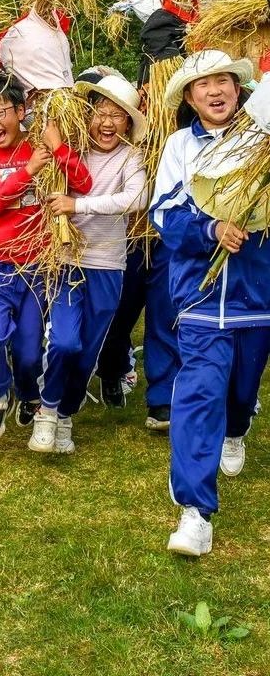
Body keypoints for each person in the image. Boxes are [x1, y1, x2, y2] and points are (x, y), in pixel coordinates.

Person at [151, 50, 270, 557]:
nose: (215, 91)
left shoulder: (262, 137)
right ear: (189, 97)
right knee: (198, 394)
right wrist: (211, 228)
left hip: (258, 295)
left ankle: (237, 427)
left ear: (238, 87)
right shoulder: (180, 145)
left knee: (239, 394)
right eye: (203, 85)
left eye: (223, 80)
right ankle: (195, 512)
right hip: (199, 295)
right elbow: (164, 215)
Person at [0, 73, 92, 442]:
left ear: (21, 111)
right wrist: (29, 170)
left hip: (37, 266)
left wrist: (57, 148)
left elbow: (82, 185)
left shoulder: (40, 143)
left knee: (29, 352)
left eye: (0, 112)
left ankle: (28, 393)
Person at [31, 75, 148, 454]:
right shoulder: (70, 151)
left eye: (118, 115)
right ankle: (47, 412)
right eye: (101, 112)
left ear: (128, 123)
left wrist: (78, 205)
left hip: (108, 267)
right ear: (88, 115)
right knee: (64, 341)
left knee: (88, 351)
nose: (108, 122)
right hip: (67, 261)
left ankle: (66, 413)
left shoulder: (130, 157)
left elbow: (136, 198)